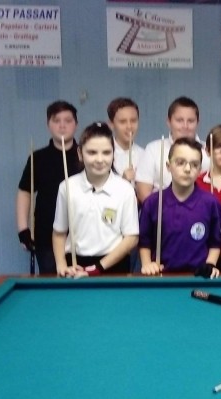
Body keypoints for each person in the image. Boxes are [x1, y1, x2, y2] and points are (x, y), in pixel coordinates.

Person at [52, 123, 139, 277]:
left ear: (113, 154)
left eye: (106, 152)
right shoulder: (67, 187)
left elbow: (131, 238)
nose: (99, 159)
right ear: (80, 153)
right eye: (92, 152)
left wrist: (97, 268)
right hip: (75, 264)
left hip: (114, 265)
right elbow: (59, 233)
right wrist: (61, 265)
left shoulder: (125, 189)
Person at [139, 137, 221, 279]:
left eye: (194, 164)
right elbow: (144, 242)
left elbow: (215, 242)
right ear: (168, 166)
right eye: (180, 163)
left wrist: (210, 264)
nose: (187, 169)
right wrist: (147, 264)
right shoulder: (153, 203)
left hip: (199, 277)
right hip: (161, 276)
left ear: (200, 169)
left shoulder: (211, 203)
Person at [16, 100, 80, 275]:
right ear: (48, 124)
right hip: (46, 233)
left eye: (68, 120)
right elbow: (25, 192)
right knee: (53, 280)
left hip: (82, 233)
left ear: (76, 124)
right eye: (56, 120)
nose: (62, 125)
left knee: (82, 281)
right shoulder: (38, 158)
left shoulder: (85, 155)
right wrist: (23, 230)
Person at [135, 96, 210, 203]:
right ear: (169, 121)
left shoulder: (209, 152)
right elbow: (143, 192)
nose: (185, 126)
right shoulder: (153, 149)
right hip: (160, 211)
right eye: (179, 120)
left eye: (190, 121)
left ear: (198, 122)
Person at [107, 97, 143, 187]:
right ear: (111, 124)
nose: (129, 126)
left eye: (133, 121)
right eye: (122, 122)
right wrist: (123, 181)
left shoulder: (144, 155)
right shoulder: (104, 154)